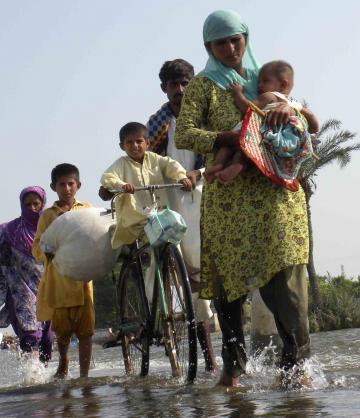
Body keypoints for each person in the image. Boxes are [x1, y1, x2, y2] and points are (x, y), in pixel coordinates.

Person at [175, 10, 313, 387]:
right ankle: (233, 369)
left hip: (275, 199)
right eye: (222, 42)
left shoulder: (266, 76)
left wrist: (294, 107)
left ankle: (296, 368)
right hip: (229, 201)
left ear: (246, 38)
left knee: (286, 282)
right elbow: (185, 133)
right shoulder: (203, 86)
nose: (231, 47)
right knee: (227, 285)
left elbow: (302, 118)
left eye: (237, 39)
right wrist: (225, 139)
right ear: (209, 46)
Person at [147, 59, 217, 372]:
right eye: (174, 84)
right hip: (168, 200)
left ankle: (213, 360)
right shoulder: (157, 121)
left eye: (185, 83)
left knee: (202, 278)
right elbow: (147, 161)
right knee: (168, 272)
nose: (180, 90)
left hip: (202, 196)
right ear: (164, 88)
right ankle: (163, 329)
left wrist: (197, 173)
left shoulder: (204, 115)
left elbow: (217, 156)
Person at [205, 59, 319, 184]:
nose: (259, 85)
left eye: (265, 81)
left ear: (283, 85)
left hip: (255, 129)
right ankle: (237, 166)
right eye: (259, 81)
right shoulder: (295, 104)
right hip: (272, 141)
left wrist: (238, 94)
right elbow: (314, 124)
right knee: (247, 155)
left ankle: (218, 164)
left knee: (227, 146)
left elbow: (249, 109)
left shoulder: (270, 96)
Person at [32, 164, 94, 378]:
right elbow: (37, 247)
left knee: (86, 332)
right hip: (59, 281)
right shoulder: (48, 216)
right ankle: (64, 361)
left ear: (78, 185)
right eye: (62, 184)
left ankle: (84, 376)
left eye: (71, 183)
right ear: (53, 187)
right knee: (62, 332)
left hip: (84, 282)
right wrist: (48, 250)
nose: (67, 188)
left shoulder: (87, 209)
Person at [100, 122, 192, 249]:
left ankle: (176, 266)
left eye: (139, 141)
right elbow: (108, 177)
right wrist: (123, 185)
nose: (135, 146)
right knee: (146, 251)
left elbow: (170, 164)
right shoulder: (121, 164)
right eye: (129, 142)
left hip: (159, 215)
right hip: (134, 221)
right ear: (122, 146)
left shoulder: (154, 158)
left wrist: (182, 177)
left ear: (147, 143)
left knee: (174, 241)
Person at [0, 186, 54, 363]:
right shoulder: (9, 231)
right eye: (27, 204)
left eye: (36, 204)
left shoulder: (51, 230)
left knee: (47, 339)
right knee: (30, 336)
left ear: (42, 204)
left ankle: (44, 379)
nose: (32, 208)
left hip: (47, 290)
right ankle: (32, 378)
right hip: (20, 292)